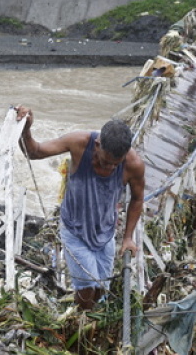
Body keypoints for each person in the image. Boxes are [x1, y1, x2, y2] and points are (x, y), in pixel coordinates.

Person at [15, 107, 145, 311]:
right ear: (98, 145)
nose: (110, 168)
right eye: (106, 161)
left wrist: (128, 237)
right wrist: (26, 129)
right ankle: (81, 323)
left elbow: (137, 199)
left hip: (105, 231)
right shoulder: (79, 143)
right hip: (74, 229)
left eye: (115, 165)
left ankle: (90, 320)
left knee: (102, 287)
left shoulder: (133, 164)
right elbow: (35, 152)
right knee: (86, 290)